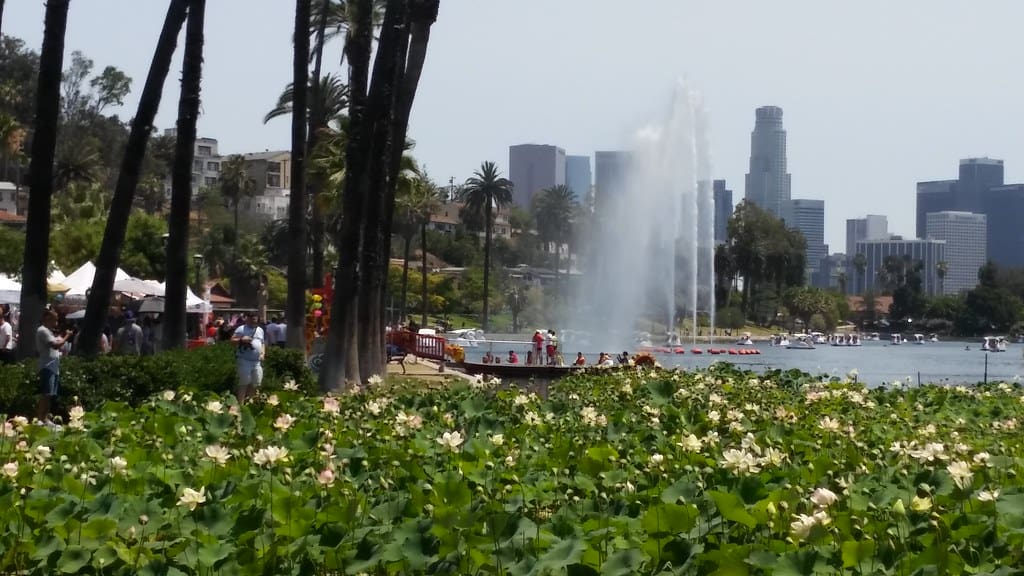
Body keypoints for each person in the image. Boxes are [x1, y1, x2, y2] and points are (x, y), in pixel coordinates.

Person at [36, 311, 68, 423]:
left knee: (50, 394)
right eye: (54, 319)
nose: (56, 322)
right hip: (47, 366)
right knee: (45, 394)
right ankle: (40, 418)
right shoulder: (42, 330)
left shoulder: (49, 332)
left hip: (54, 367)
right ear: (47, 318)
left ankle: (45, 418)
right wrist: (67, 336)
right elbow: (56, 345)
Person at [231, 312, 265, 403]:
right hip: (244, 360)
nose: (254, 321)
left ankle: (251, 403)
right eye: (252, 319)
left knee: (256, 383)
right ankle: (241, 404)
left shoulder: (260, 330)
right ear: (248, 319)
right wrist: (241, 339)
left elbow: (262, 343)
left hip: (257, 361)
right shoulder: (241, 329)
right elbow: (232, 340)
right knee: (244, 382)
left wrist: (262, 353)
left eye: (256, 320)